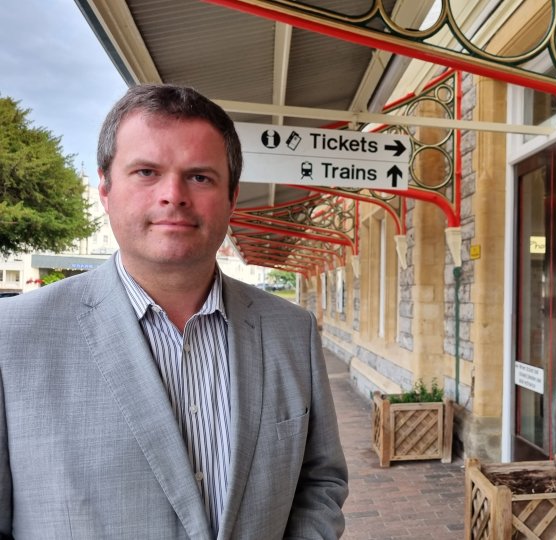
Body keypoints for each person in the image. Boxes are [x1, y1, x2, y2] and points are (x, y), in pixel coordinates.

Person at [0, 85, 348, 539]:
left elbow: (320, 480)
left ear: (232, 197)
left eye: (200, 177)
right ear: (105, 189)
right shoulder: (13, 336)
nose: (174, 195)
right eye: (146, 171)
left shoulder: (291, 329)